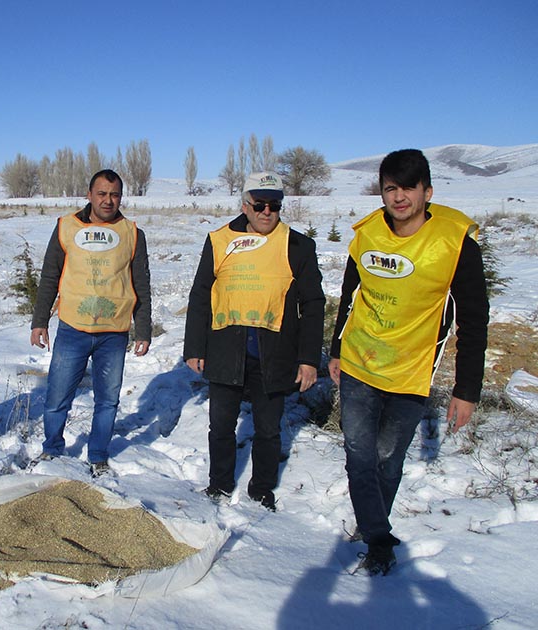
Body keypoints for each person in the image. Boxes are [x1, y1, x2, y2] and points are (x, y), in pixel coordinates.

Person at [328, 149, 489, 575]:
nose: (399, 197)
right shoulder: (366, 235)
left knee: (387, 459)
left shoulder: (455, 245)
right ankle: (378, 538)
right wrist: (336, 350)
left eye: (408, 188)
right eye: (390, 188)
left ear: (427, 191)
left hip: (411, 372)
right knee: (359, 453)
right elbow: (349, 296)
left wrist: (466, 390)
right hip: (361, 362)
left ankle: (370, 522)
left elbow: (474, 321)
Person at [184, 172, 325, 509]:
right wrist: (194, 347)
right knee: (220, 425)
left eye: (274, 205)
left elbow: (313, 303)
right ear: (245, 205)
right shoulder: (219, 240)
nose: (266, 212)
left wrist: (308, 359)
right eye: (259, 205)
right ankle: (218, 484)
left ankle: (261, 489)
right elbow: (201, 294)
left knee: (267, 428)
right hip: (225, 348)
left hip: (273, 353)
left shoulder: (298, 245)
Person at [30, 169, 151, 476]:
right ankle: (52, 450)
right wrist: (39, 320)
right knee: (57, 397)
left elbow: (142, 285)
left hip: (114, 333)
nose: (108, 200)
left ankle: (97, 455)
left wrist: (144, 329)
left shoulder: (133, 233)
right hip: (72, 329)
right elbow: (49, 277)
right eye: (102, 194)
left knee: (108, 401)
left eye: (114, 194)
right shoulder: (66, 227)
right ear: (89, 195)